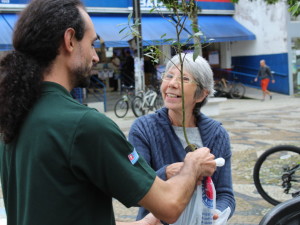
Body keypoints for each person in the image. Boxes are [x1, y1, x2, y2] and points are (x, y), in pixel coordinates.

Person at [0, 1, 217, 225]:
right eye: (92, 44)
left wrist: (144, 222)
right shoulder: (84, 125)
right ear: (70, 40)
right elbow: (169, 205)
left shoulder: (15, 118)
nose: (95, 57)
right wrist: (193, 165)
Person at [128, 53, 236, 224]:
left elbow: (225, 193)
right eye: (169, 76)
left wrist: (216, 213)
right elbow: (133, 190)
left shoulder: (217, 134)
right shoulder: (143, 129)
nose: (172, 84)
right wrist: (166, 172)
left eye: (184, 79)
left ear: (200, 95)